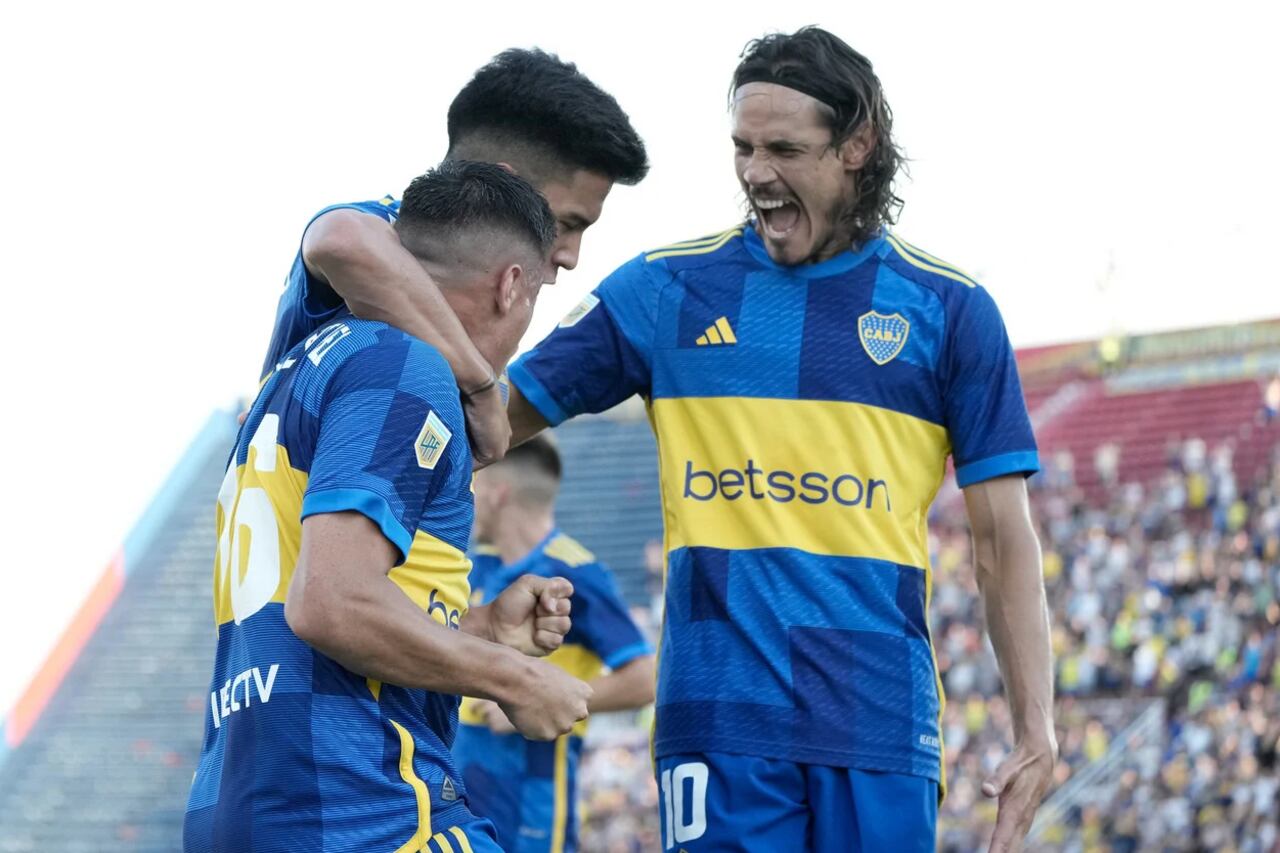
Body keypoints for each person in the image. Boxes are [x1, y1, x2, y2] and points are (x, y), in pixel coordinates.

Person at [504, 27, 1056, 853]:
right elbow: (487, 419)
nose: (756, 172)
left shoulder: (949, 310)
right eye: (743, 147)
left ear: (857, 146)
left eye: (784, 149)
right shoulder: (666, 290)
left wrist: (1035, 728)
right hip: (717, 719)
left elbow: (1002, 541)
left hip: (877, 722)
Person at [184, 161, 591, 853]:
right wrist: (515, 677)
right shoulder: (407, 366)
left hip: (248, 803)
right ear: (511, 284)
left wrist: (483, 628)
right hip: (363, 806)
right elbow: (328, 603)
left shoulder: (296, 371)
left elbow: (309, 597)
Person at [259, 48, 648, 466]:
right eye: (567, 223)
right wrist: (480, 388)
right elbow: (337, 239)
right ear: (505, 182)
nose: (571, 257)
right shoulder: (389, 232)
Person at [452, 435, 656, 852]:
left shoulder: (574, 572)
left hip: (533, 801)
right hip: (463, 794)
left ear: (495, 493)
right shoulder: (478, 565)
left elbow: (645, 679)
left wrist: (527, 692)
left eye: (474, 485)